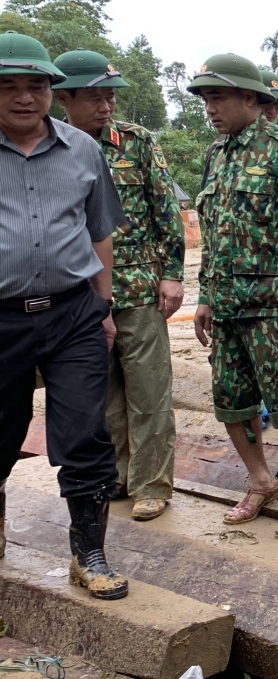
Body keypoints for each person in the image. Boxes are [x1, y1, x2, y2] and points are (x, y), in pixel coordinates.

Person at [0, 31, 128, 599]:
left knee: (84, 433)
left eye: (36, 86)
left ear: (52, 90)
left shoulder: (84, 151)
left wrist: (102, 308)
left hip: (74, 313)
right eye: (9, 87)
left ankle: (89, 555)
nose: (24, 97)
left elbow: (100, 234)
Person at [188, 53, 278, 540]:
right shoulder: (216, 154)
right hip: (227, 306)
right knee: (231, 400)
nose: (210, 108)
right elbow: (213, 230)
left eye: (219, 97)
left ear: (251, 98)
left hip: (275, 305)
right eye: (206, 98)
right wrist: (206, 295)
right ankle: (260, 481)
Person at [52, 49, 185, 522]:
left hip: (139, 288)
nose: (106, 105)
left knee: (148, 391)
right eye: (94, 96)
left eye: (110, 96)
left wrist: (171, 273)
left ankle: (153, 483)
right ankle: (118, 475)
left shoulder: (136, 142)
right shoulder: (52, 146)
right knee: (102, 395)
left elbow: (165, 211)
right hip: (81, 293)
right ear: (61, 97)